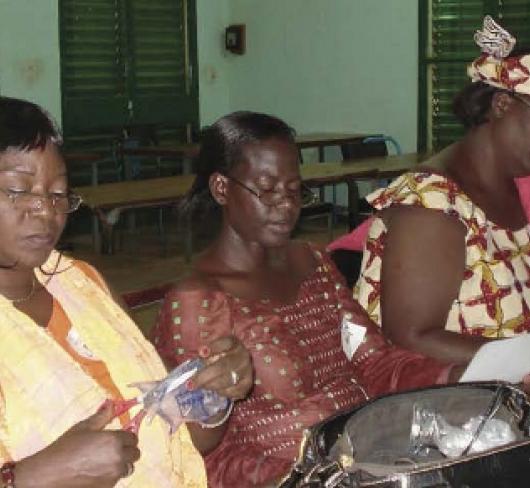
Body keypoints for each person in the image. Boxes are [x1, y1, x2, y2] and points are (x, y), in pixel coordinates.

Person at [150, 111, 466, 488]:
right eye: (267, 190)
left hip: (372, 456)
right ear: (221, 189)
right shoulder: (199, 302)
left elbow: (376, 361)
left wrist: (461, 378)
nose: (286, 205)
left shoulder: (313, 262)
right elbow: (201, 454)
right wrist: (309, 477)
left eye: (294, 189)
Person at [0, 96, 207, 487]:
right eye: (18, 189)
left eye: (59, 193)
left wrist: (209, 398)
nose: (46, 210)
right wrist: (34, 477)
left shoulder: (81, 282)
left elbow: (173, 429)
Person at [352, 16, 530, 365]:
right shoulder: (430, 204)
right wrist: (521, 361)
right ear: (503, 106)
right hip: (448, 404)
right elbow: (409, 337)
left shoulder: (514, 187)